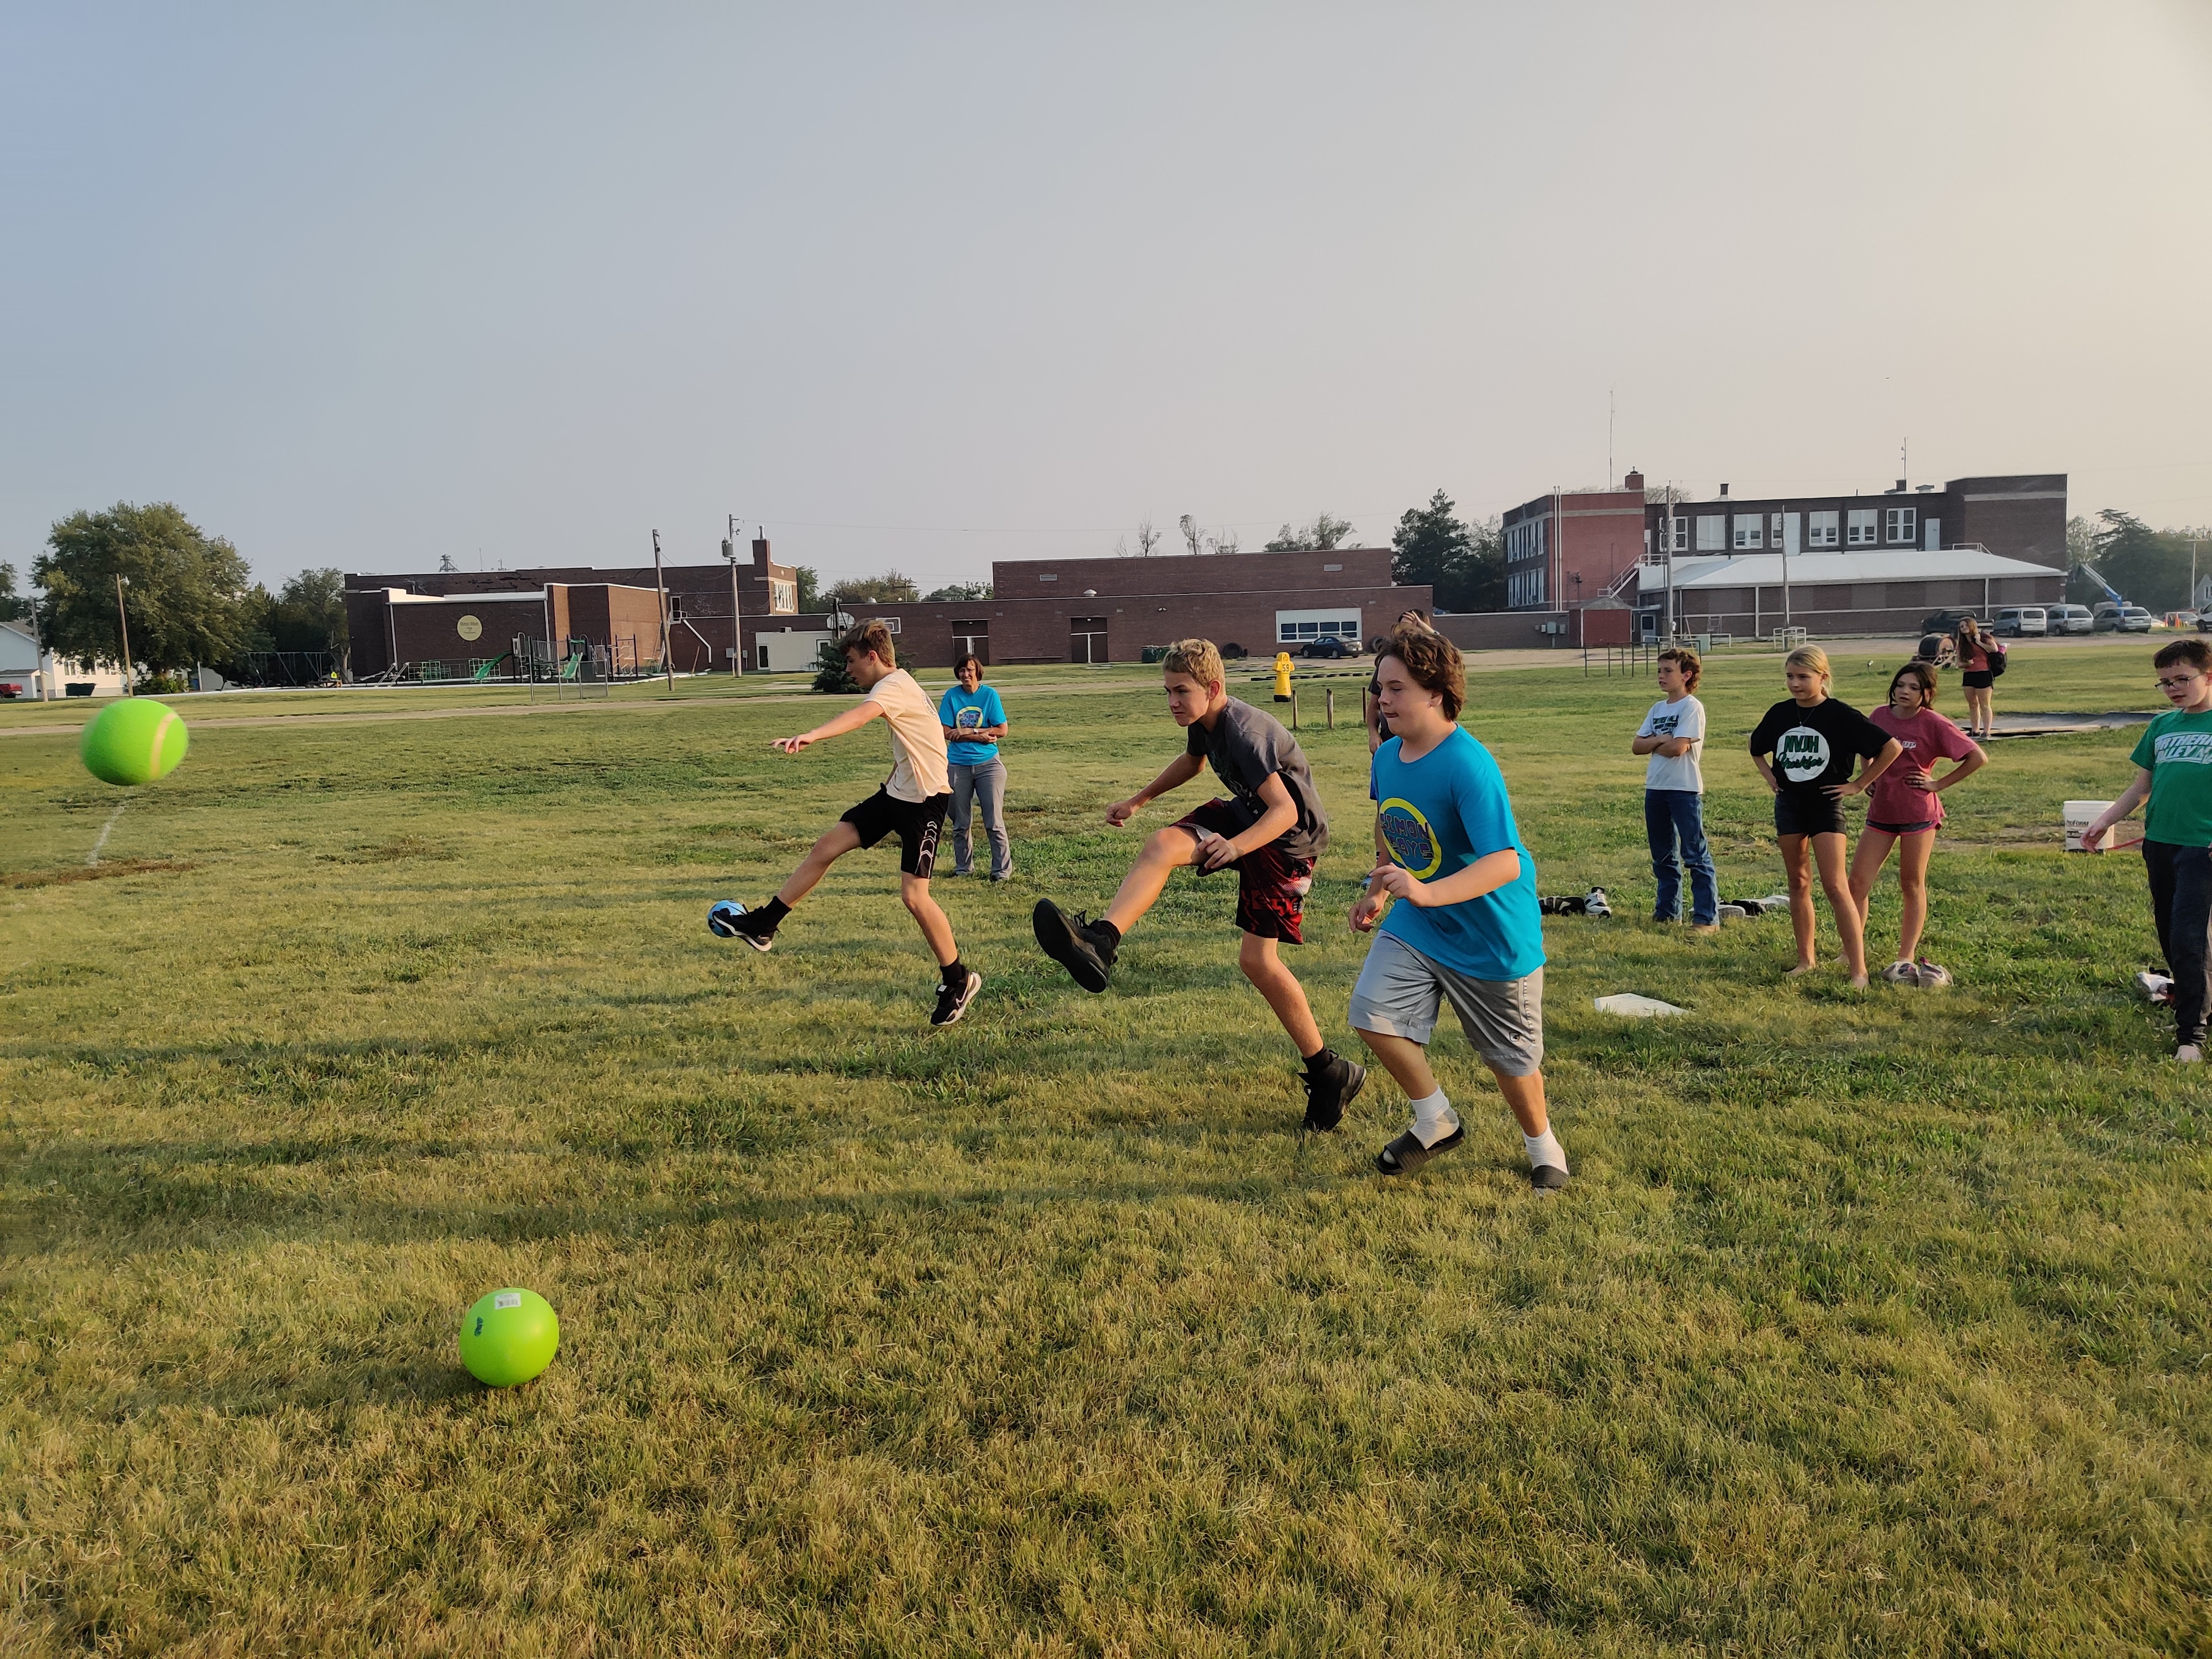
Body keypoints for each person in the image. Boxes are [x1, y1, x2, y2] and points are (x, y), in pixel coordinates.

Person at [1031, 637, 1365, 1131]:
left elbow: (1286, 812)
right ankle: (1102, 941)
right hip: (1247, 817)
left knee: (1258, 962)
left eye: (1181, 692)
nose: (1172, 702)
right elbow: (1193, 763)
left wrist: (1237, 847)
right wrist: (1138, 801)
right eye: (1167, 691)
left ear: (1212, 689)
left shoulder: (1245, 733)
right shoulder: (1205, 722)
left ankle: (1330, 1072)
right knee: (1162, 845)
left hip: (1287, 844)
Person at [1348, 629, 1566, 1187]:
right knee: (1372, 1012)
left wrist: (1424, 891)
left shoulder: (1468, 764)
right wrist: (1379, 887)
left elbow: (1504, 862)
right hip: (1422, 921)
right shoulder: (1388, 755)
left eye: (1396, 688)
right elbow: (1389, 822)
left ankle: (1543, 1147)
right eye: (1380, 687)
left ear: (1436, 693)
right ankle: (1436, 1121)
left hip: (1491, 934)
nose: (1382, 699)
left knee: (1509, 1060)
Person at [710, 620, 982, 1027]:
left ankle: (958, 980)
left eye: (852, 661)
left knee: (914, 897)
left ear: (872, 657)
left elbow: (861, 716)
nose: (848, 669)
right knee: (826, 847)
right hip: (896, 795)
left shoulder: (892, 687)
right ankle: (764, 925)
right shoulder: (899, 684)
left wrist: (812, 735)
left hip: (925, 803)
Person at [2080, 638, 2212, 1062]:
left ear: (2209, 676)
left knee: (2190, 938)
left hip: (2202, 849)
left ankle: (2191, 1036)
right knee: (2171, 935)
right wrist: (2105, 820)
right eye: (2165, 682)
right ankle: (2199, 1000)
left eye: (2182, 679)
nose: (2173, 688)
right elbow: (2143, 786)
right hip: (2160, 844)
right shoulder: (2162, 726)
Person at [1748, 644, 1903, 988]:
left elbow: (1891, 748)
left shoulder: (1840, 715)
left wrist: (1859, 784)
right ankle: (1806, 960)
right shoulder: (1780, 713)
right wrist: (1770, 777)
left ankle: (1858, 970)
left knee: (1836, 885)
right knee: (1798, 882)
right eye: (1790, 677)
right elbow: (1757, 748)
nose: (1795, 684)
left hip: (1825, 804)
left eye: (1803, 677)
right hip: (1789, 804)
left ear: (1823, 677)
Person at [1848, 662, 1987, 985]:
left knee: (1911, 883)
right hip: (1881, 813)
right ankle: (1850, 950)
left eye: (1913, 688)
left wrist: (1937, 784)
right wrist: (1868, 776)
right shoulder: (1880, 715)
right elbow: (1866, 748)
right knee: (1856, 884)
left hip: (1918, 815)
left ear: (1928, 693)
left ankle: (1906, 956)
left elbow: (1977, 757)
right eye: (1901, 685)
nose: (1905, 692)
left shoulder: (1934, 723)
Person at [1632, 646, 1717, 932]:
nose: (1661, 676)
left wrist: (1656, 742)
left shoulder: (1692, 707)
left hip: (1684, 789)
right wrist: (1660, 740)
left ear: (1687, 675)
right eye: (1659, 670)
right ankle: (1668, 912)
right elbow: (1637, 746)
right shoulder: (1657, 709)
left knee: (1694, 854)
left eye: (1668, 671)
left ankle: (1706, 917)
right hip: (1656, 787)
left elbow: (1678, 748)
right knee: (1663, 856)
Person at [938, 653, 1012, 881]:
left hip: (988, 765)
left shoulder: (989, 695)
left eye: (970, 670)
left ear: (977, 672)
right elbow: (945, 731)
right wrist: (979, 736)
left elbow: (1002, 730)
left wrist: (968, 731)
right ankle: (964, 869)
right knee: (961, 823)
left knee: (994, 822)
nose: (966, 674)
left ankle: (1001, 872)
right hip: (958, 765)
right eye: (962, 670)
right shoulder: (952, 696)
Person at [1364, 610, 1435, 755]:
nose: (1404, 633)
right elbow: (1374, 706)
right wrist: (1373, 734)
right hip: (1389, 742)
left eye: (1396, 689)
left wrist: (1424, 628)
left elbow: (1446, 650)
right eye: (1401, 627)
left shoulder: (1432, 668)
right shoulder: (1387, 666)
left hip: (1423, 745)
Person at [1954, 617, 2002, 739]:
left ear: (1972, 626)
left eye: (1966, 625)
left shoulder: (1984, 638)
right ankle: (1975, 730)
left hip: (1983, 674)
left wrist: (1979, 642)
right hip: (1969, 675)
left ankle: (1986, 732)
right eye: (1962, 626)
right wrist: (1966, 664)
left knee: (1985, 705)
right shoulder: (1962, 645)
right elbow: (1959, 664)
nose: (1964, 628)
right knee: (1972, 705)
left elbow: (1994, 649)